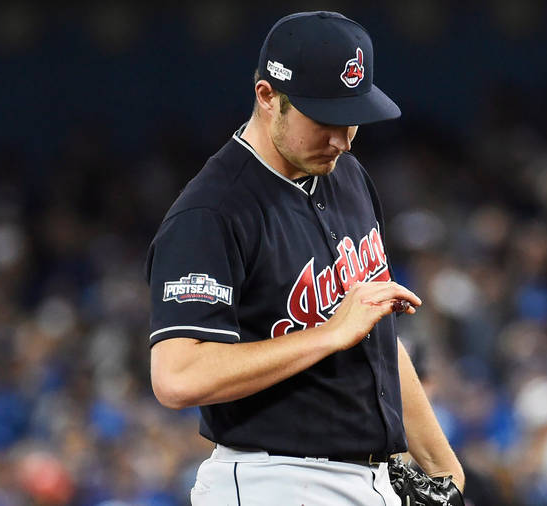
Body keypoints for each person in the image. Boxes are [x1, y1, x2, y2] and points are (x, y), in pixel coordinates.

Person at [144, 11, 464, 505]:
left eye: (352, 118)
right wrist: (329, 333)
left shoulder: (347, 175)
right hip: (273, 481)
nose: (342, 139)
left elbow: (376, 337)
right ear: (267, 96)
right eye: (324, 120)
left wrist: (445, 471)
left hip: (368, 479)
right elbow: (177, 376)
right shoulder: (212, 212)